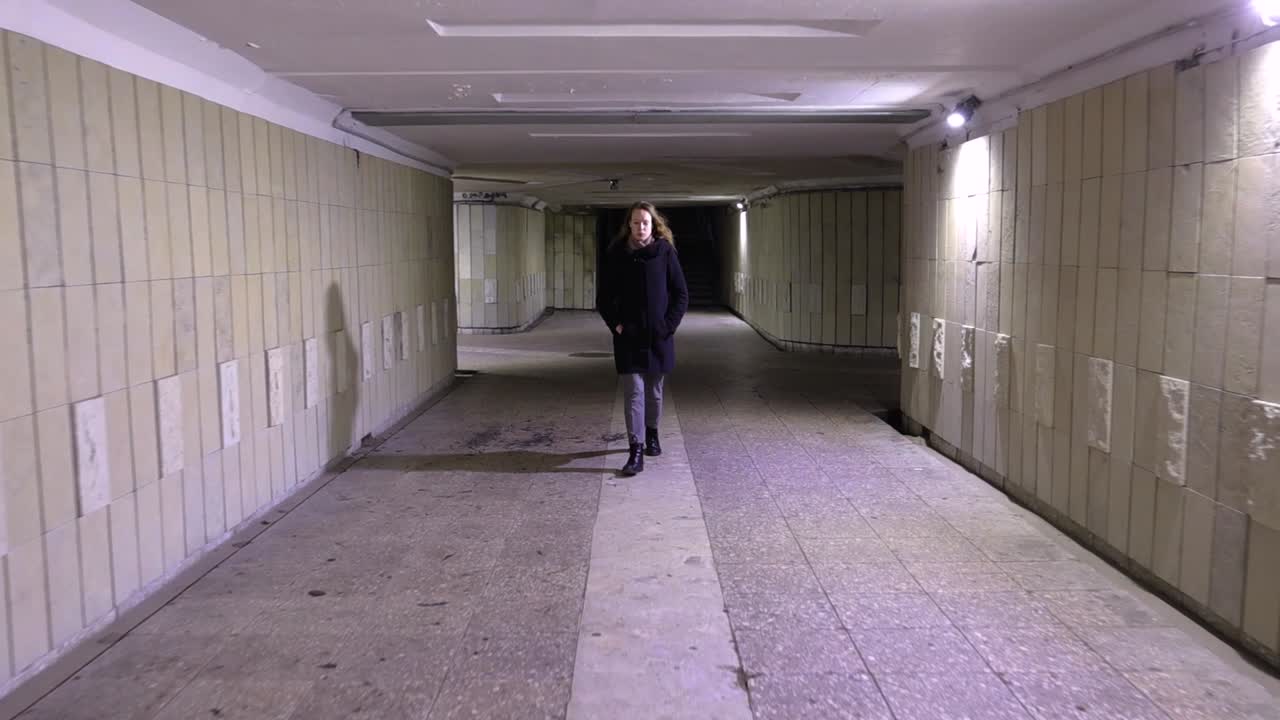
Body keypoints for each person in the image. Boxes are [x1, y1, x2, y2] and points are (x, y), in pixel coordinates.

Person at [597, 201, 689, 476]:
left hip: (658, 337)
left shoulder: (665, 253)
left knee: (654, 391)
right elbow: (604, 297)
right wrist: (617, 325)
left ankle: (652, 434)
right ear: (629, 225)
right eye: (635, 222)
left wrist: (668, 326)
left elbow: (681, 294)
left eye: (645, 222)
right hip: (629, 337)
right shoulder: (617, 254)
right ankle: (635, 449)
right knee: (633, 393)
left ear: (653, 225)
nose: (640, 227)